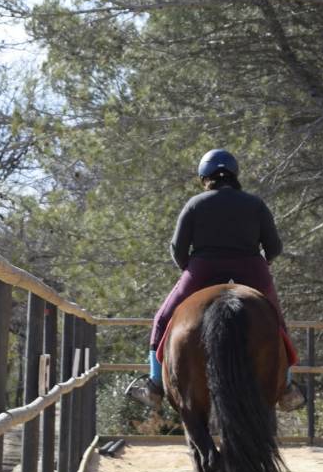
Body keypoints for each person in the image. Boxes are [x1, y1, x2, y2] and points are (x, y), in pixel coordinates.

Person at [127, 148, 304, 412]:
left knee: (163, 320)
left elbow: (178, 248)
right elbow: (275, 247)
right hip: (251, 270)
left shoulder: (196, 204)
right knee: (275, 321)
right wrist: (260, 264)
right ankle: (287, 389)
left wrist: (189, 269)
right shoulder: (255, 204)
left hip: (203, 269)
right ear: (235, 175)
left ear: (204, 176)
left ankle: (154, 385)